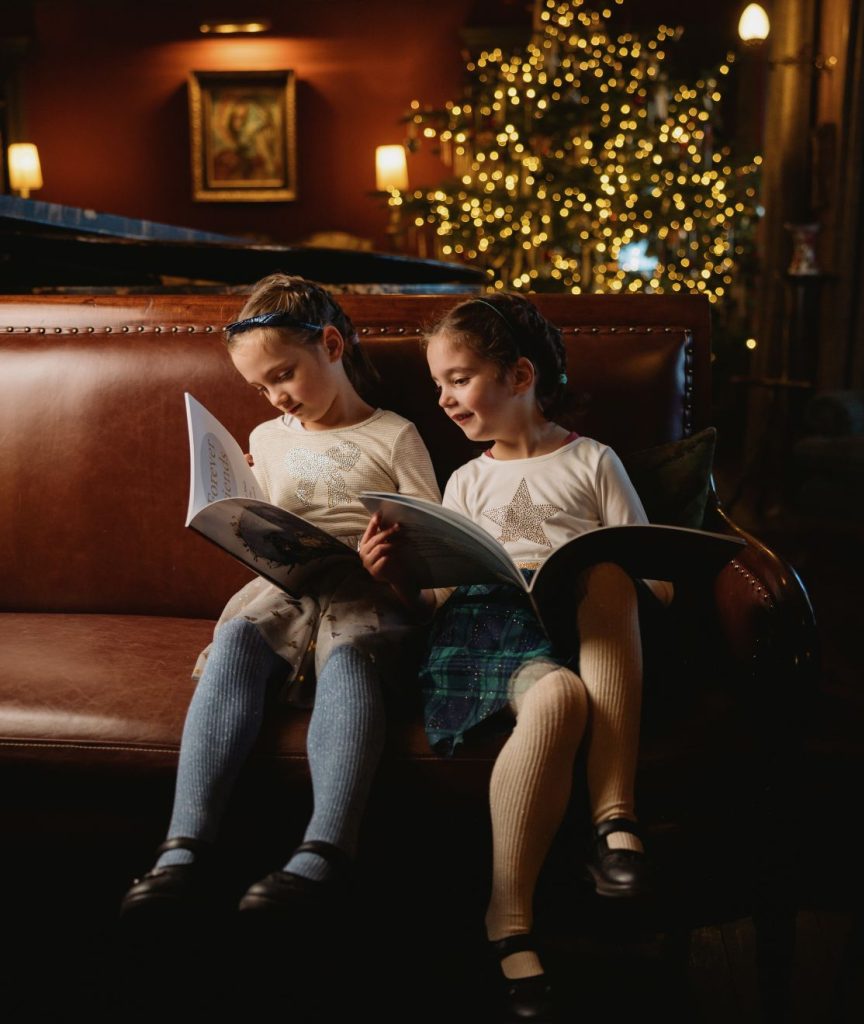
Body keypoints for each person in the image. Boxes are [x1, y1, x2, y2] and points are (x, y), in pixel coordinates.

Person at [359, 294, 673, 1022]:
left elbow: (654, 582)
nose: (443, 399)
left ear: (520, 375)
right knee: (558, 690)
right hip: (479, 630)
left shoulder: (593, 461)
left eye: (459, 379)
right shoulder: (465, 480)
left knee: (598, 592)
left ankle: (610, 823)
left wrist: (593, 575)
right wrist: (397, 576)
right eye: (438, 383)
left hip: (570, 629)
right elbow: (435, 604)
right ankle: (508, 918)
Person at [120, 274, 440, 922]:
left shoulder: (394, 435)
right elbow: (259, 521)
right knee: (238, 638)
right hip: (285, 585)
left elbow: (437, 548)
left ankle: (324, 854)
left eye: (284, 375)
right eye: (261, 388)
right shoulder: (269, 437)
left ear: (330, 344)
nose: (275, 396)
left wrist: (398, 569)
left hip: (366, 592)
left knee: (353, 658)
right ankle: (182, 847)